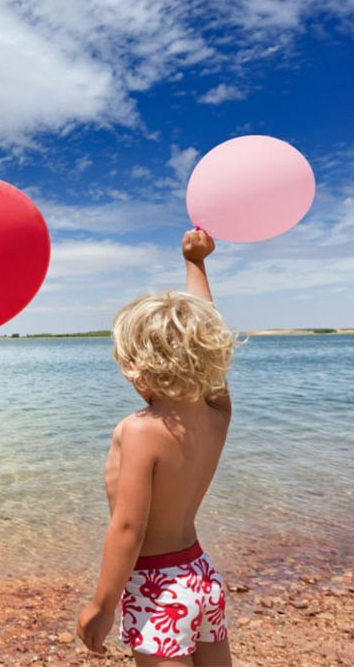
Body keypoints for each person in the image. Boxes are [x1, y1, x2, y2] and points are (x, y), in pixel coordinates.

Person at [77, 228, 237, 665]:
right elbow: (208, 333)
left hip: (157, 584)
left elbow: (128, 529)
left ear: (136, 368)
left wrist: (102, 606)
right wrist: (196, 264)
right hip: (201, 574)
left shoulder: (140, 430)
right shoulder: (217, 414)